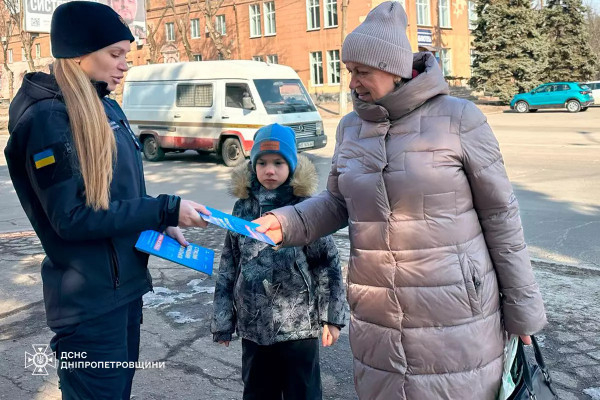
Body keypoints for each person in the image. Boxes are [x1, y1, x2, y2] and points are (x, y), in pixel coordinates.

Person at [254, 2, 547, 399]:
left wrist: (523, 310)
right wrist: (288, 221)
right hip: (379, 315)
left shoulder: (459, 119)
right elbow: (337, 202)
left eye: (363, 72)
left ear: (394, 69)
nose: (352, 83)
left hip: (454, 314)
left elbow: (501, 218)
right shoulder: (351, 128)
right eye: (349, 71)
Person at [4, 2, 208, 398]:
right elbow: (72, 217)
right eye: (114, 54)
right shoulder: (49, 119)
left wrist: (156, 222)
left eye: (125, 55)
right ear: (79, 54)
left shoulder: (106, 108)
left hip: (123, 291)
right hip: (89, 306)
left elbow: (118, 196)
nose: (124, 65)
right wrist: (163, 207)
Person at [211, 124, 347, 400]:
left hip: (298, 328)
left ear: (292, 165)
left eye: (278, 162)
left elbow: (327, 264)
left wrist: (331, 318)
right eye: (261, 162)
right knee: (258, 392)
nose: (269, 170)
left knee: (303, 393)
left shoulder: (305, 208)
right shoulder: (243, 208)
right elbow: (229, 265)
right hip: (254, 329)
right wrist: (224, 320)